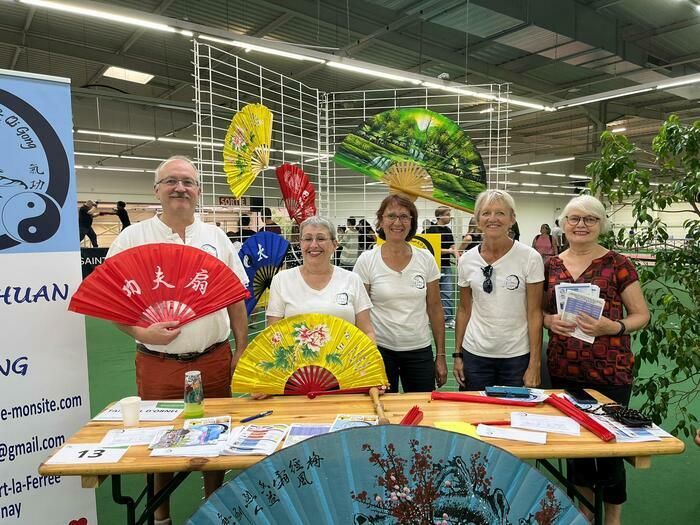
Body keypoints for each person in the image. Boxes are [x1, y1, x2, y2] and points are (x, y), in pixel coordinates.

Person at [107, 155, 250, 525]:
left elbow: (236, 299)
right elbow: (111, 301)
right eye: (171, 181)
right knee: (159, 443)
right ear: (157, 190)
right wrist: (141, 331)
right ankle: (161, 518)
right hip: (159, 363)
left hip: (214, 358)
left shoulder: (216, 238)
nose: (180, 188)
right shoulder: (132, 238)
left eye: (188, 182)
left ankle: (214, 510)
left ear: (199, 191)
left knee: (217, 439)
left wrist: (242, 349)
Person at [543, 195, 650, 525]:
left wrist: (612, 327)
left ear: (601, 225)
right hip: (563, 369)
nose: (581, 225)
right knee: (575, 449)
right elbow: (542, 311)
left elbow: (641, 315)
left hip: (609, 371)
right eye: (574, 218)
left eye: (590, 219)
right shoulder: (552, 265)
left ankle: (613, 517)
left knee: (609, 449)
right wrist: (549, 321)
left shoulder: (619, 264)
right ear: (563, 224)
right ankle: (587, 512)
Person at [354, 194, 447, 392]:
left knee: (422, 408)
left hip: (419, 350)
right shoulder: (367, 260)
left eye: (404, 216)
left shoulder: (425, 259)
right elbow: (360, 313)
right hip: (379, 351)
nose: (398, 222)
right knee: (383, 410)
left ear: (412, 222)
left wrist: (440, 356)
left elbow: (435, 308)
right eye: (391, 216)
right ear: (381, 220)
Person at [453, 190, 544, 391]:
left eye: (500, 213)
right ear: (477, 220)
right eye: (486, 213)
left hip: (516, 357)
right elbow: (464, 310)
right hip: (475, 355)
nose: (492, 219)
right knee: (475, 416)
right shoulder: (467, 260)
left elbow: (534, 313)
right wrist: (458, 355)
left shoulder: (530, 258)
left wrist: (535, 363)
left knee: (514, 416)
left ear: (512, 219)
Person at [266, 216, 375, 341]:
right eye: (307, 239)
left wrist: (370, 358)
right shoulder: (281, 280)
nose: (314, 245)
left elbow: (367, 332)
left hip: (345, 359)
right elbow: (272, 334)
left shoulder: (352, 280)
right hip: (296, 360)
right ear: (300, 244)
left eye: (321, 238)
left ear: (334, 245)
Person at [423, 206, 458, 329]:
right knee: (431, 294)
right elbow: (432, 249)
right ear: (440, 216)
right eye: (447, 214)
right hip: (434, 267)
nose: (450, 217)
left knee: (447, 293)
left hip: (447, 266)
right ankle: (429, 318)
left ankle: (448, 319)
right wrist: (449, 251)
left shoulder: (448, 230)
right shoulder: (431, 230)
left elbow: (453, 247)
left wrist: (457, 256)